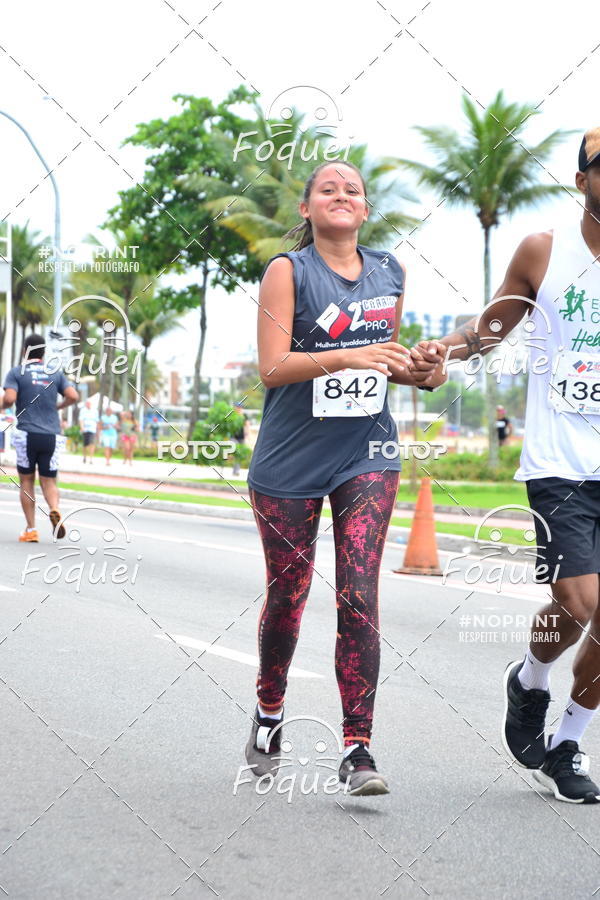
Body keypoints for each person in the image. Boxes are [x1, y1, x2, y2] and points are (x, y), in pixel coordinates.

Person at [244, 160, 446, 796]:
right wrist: (355, 353)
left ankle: (359, 748)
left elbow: (388, 368)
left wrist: (425, 368)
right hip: (289, 461)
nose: (340, 195)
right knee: (289, 596)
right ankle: (270, 710)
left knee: (359, 590)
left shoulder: (390, 271)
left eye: (351, 190)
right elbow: (273, 366)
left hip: (368, 450)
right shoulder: (289, 270)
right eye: (327, 189)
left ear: (363, 210)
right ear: (307, 209)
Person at [414, 127, 600, 803]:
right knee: (583, 606)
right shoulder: (544, 251)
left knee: (588, 615)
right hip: (562, 467)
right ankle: (531, 679)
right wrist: (443, 357)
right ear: (582, 181)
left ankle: (567, 742)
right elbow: (489, 330)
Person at [0, 333, 78, 542]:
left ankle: (31, 529)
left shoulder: (17, 372)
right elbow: (73, 396)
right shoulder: (55, 373)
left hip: (26, 434)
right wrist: (58, 407)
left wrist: (2, 406)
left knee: (26, 480)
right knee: (49, 480)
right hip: (52, 435)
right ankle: (55, 509)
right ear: (44, 352)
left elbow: (9, 398)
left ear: (25, 351)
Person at [232, 401, 249, 477]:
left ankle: (236, 471)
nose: (238, 409)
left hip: (241, 438)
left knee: (239, 455)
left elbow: (247, 425)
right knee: (236, 451)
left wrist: (247, 435)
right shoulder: (232, 415)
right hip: (233, 438)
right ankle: (235, 470)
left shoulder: (244, 416)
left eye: (240, 407)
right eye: (237, 407)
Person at [80, 399, 99, 463]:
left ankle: (91, 458)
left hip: (92, 429)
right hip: (85, 429)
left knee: (92, 443)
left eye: (89, 403)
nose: (88, 404)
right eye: (87, 403)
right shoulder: (83, 410)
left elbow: (97, 420)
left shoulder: (95, 411)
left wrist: (97, 430)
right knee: (85, 444)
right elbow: (81, 419)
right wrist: (82, 427)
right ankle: (85, 457)